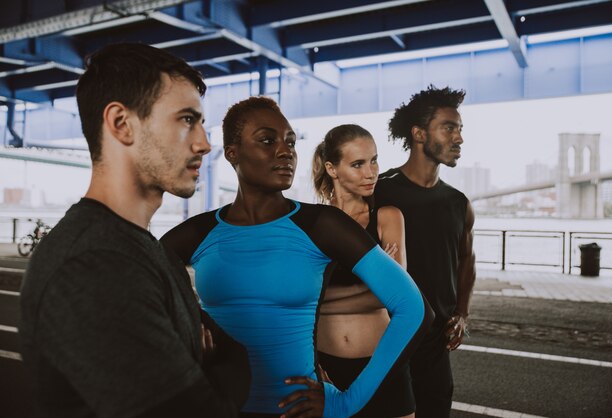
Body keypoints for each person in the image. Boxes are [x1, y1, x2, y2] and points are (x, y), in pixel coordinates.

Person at [160, 97, 433, 418]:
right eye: (267, 140)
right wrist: (194, 324)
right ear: (232, 153)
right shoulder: (197, 232)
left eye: (290, 141)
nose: (285, 150)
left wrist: (347, 403)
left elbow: (414, 310)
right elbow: (134, 290)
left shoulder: (322, 225)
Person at [19, 43, 249, 418]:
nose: (205, 144)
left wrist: (216, 367)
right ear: (121, 124)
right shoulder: (95, 265)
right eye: (187, 120)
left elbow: (233, 351)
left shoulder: (145, 251)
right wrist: (217, 369)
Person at [375, 85, 477, 417]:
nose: (459, 138)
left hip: (435, 347)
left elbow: (466, 260)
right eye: (449, 127)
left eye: (460, 129)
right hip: (387, 340)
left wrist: (461, 312)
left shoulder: (459, 203)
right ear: (419, 134)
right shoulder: (379, 192)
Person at [311, 124, 416, 418]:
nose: (371, 172)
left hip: (383, 363)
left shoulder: (387, 217)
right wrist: (367, 287)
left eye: (373, 160)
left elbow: (393, 298)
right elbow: (297, 301)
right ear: (332, 168)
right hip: (325, 364)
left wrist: (322, 301)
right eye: (357, 164)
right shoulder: (315, 223)